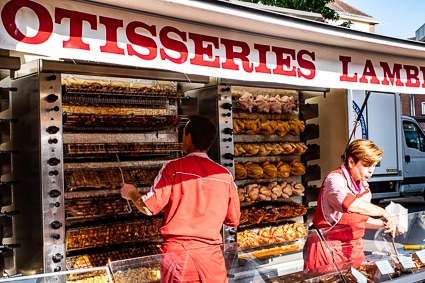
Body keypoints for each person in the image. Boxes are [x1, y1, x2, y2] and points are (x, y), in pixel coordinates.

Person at [121, 115, 241, 283]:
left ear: (189, 137)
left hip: (179, 258)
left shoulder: (173, 168)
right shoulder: (225, 176)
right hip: (211, 259)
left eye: (183, 133)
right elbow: (233, 220)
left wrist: (131, 193)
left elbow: (149, 207)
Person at [303, 139, 398, 274]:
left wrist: (385, 224)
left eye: (374, 165)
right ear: (351, 162)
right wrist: (383, 212)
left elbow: (358, 220)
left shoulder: (363, 185)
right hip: (328, 248)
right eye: (366, 165)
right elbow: (347, 203)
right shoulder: (334, 179)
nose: (371, 171)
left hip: (354, 250)